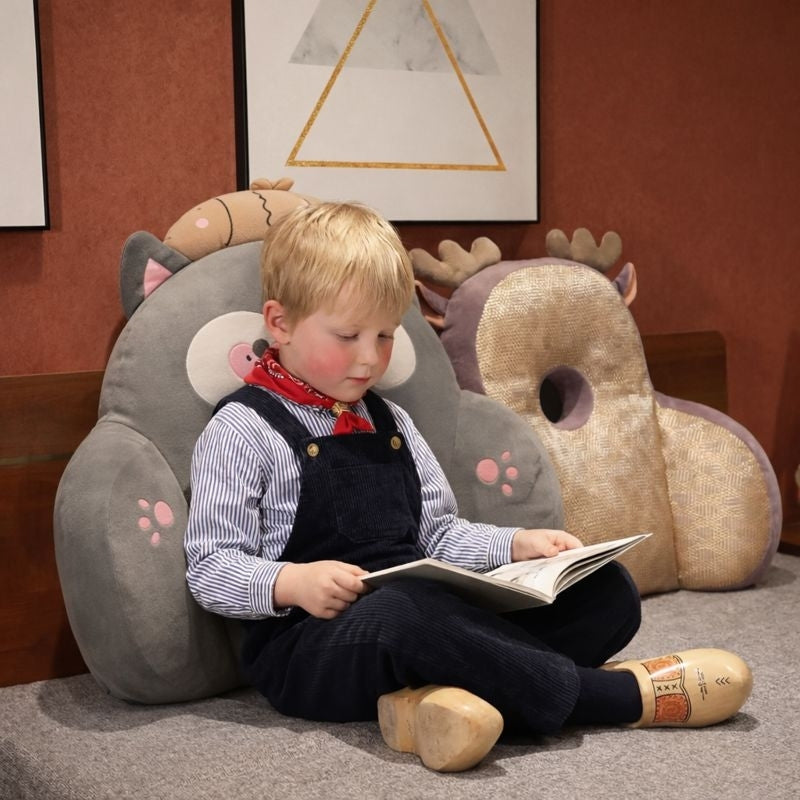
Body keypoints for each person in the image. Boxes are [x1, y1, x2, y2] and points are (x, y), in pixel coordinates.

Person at [184, 202, 752, 772]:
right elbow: (210, 567)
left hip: (425, 613)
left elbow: (439, 536)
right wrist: (290, 582)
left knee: (607, 593)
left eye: (385, 336)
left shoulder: (391, 421)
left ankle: (437, 699)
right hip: (311, 646)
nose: (369, 358)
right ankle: (608, 697)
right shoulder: (243, 430)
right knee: (407, 613)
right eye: (348, 335)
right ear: (280, 324)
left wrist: (515, 546)